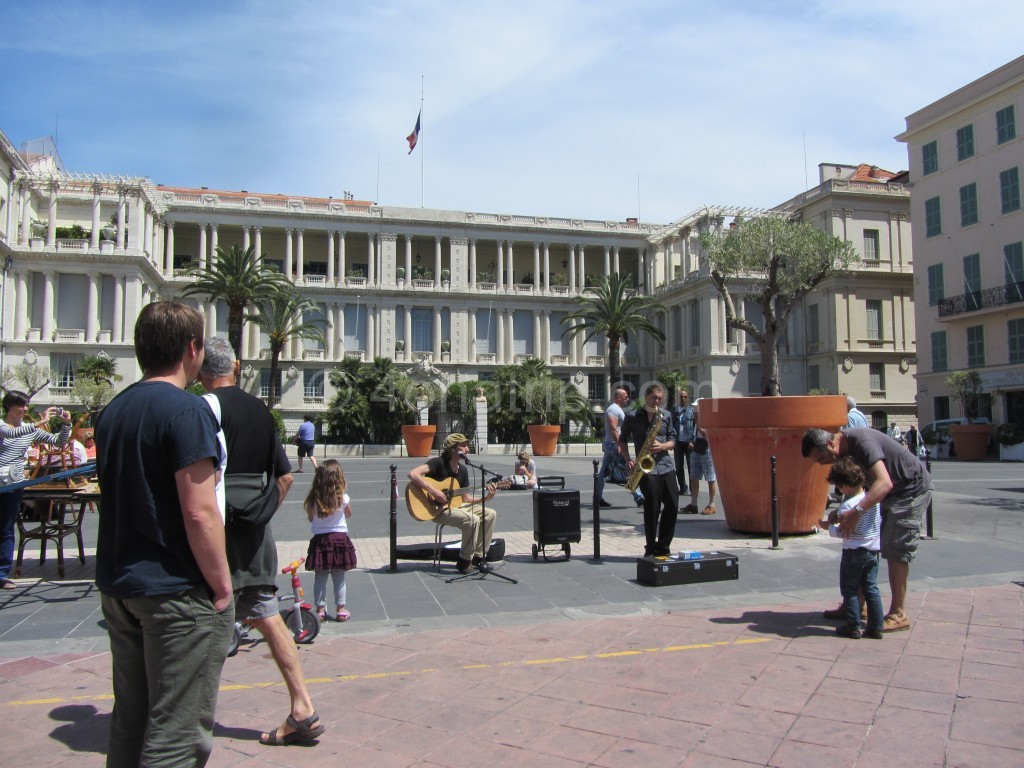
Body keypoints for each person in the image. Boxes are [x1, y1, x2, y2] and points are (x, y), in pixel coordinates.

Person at [95, 302, 234, 767]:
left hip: (119, 587)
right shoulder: (186, 411)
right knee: (176, 731)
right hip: (174, 590)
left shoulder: (114, 411)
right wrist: (222, 584)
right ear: (192, 348)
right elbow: (199, 514)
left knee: (130, 720)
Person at [198, 337, 324, 748]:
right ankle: (302, 706)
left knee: (203, 614)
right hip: (256, 531)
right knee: (267, 615)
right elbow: (286, 477)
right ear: (237, 365)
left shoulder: (203, 409)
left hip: (214, 528)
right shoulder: (261, 412)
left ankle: (189, 716)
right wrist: (259, 513)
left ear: (201, 371)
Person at [802, 426, 933, 633]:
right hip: (887, 494)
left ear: (830, 443)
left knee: (895, 548)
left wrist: (856, 512)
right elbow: (858, 488)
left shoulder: (862, 442)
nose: (822, 464)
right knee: (867, 545)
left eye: (821, 458)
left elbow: (884, 482)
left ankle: (898, 614)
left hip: (909, 491)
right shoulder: (843, 451)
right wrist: (842, 511)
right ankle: (855, 606)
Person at [0, 394, 72, 590]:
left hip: (14, 483)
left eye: (26, 405)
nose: (24, 409)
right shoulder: (2, 426)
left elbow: (58, 442)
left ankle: (1, 574)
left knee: (6, 529)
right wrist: (43, 421)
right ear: (9, 407)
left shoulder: (29, 430)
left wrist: (66, 424)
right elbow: (10, 434)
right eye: (20, 405)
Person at [408, 433, 498, 573]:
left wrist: (486, 499)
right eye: (463, 446)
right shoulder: (438, 462)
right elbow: (413, 474)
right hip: (436, 510)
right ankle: (464, 561)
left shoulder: (462, 470)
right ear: (452, 449)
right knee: (472, 519)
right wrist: (434, 491)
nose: (467, 449)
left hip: (456, 506)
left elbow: (466, 499)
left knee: (490, 514)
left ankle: (479, 558)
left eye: (467, 446)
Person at [819, 457, 884, 640]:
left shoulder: (848, 506)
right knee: (871, 588)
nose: (838, 491)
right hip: (872, 550)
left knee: (850, 589)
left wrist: (827, 527)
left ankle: (853, 625)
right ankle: (876, 626)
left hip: (853, 552)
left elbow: (842, 532)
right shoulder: (872, 501)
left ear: (846, 485)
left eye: (838, 486)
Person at [619, 383, 679, 557]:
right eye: (654, 398)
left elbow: (674, 440)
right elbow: (622, 440)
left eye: (660, 399)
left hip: (665, 465)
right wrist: (628, 460)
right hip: (646, 469)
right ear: (646, 397)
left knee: (673, 505)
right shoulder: (632, 417)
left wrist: (662, 446)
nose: (657, 401)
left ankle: (664, 545)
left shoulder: (666, 415)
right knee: (652, 508)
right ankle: (651, 546)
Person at [305, 460, 358, 622]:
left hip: (320, 541)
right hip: (339, 540)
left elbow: (310, 518)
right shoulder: (343, 497)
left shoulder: (313, 499)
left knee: (320, 576)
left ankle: (320, 610)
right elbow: (349, 514)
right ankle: (341, 609)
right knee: (339, 576)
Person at [596, 388, 638, 508]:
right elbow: (613, 428)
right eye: (625, 397)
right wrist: (620, 444)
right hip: (613, 445)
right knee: (628, 467)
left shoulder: (616, 409)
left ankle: (597, 498)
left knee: (603, 472)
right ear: (618, 397)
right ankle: (639, 496)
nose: (627, 399)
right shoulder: (613, 409)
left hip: (611, 444)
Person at [683, 399, 718, 515]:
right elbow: (694, 432)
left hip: (706, 448)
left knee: (710, 477)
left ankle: (712, 504)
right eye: (694, 408)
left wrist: (699, 422)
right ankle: (693, 504)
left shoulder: (707, 419)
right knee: (694, 476)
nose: (694, 410)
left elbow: (706, 434)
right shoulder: (695, 419)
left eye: (696, 408)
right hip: (697, 447)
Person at [672, 388, 693, 497]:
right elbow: (670, 427)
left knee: (691, 466)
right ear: (678, 398)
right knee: (679, 466)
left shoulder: (691, 410)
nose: (683, 398)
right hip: (678, 442)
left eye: (685, 397)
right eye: (681, 397)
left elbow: (694, 426)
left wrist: (692, 441)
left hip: (688, 442)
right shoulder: (674, 410)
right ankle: (683, 487)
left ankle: (693, 489)